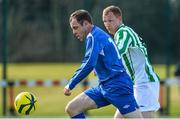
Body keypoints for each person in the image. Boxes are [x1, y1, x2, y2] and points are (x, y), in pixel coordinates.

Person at [64, 9, 143, 118]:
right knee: (73, 108)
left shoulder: (94, 36)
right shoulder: (96, 34)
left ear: (86, 24)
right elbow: (103, 57)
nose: (74, 32)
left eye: (75, 27)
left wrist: (71, 84)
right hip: (104, 86)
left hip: (118, 86)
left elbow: (88, 63)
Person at [102, 5, 160, 118]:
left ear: (119, 19)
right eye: (104, 21)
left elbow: (118, 52)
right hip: (135, 85)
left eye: (110, 20)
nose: (107, 24)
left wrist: (102, 63)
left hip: (145, 83)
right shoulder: (120, 34)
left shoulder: (123, 32)